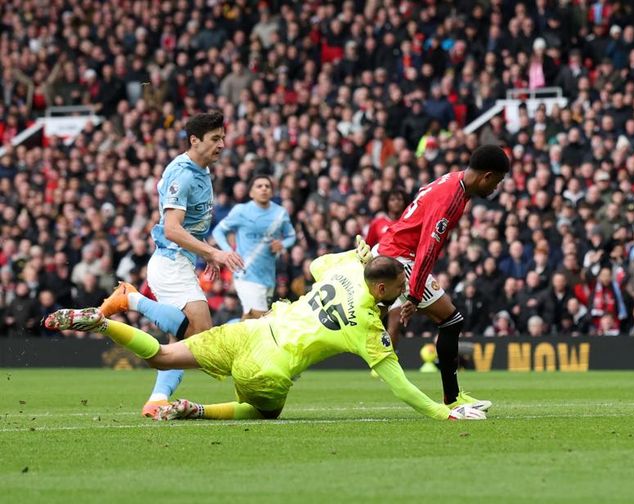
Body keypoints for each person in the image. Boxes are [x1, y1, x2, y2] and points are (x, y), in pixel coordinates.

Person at [44, 250, 487, 422]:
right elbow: (398, 383)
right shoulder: (368, 326)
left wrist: (357, 253)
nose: (406, 289)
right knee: (264, 411)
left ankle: (102, 322)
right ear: (382, 289)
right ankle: (198, 410)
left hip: (249, 331)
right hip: (269, 367)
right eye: (400, 285)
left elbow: (316, 263)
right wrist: (439, 412)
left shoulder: (349, 268)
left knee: (160, 356)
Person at [97, 110, 245, 417]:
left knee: (180, 343)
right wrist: (214, 253)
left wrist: (205, 253)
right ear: (195, 140)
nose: (222, 144)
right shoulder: (184, 174)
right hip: (170, 261)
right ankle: (131, 298)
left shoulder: (201, 170)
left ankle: (157, 399)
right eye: (215, 139)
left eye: (223, 138)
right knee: (202, 335)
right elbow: (172, 229)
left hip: (178, 261)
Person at [373, 144, 509, 406]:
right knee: (451, 321)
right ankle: (453, 399)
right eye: (498, 181)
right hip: (400, 257)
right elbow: (428, 247)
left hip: (391, 247)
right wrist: (413, 293)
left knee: (373, 313)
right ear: (487, 176)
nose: (496, 188)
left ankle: (454, 397)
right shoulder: (452, 198)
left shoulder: (453, 179)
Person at [212, 174, 296, 319]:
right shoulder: (241, 211)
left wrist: (282, 244)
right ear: (251, 192)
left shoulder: (280, 213)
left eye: (267, 186)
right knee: (260, 317)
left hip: (268, 275)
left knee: (251, 319)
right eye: (259, 186)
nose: (264, 188)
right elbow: (218, 231)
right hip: (245, 273)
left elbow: (291, 236)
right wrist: (228, 252)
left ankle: (234, 341)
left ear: (271, 191)